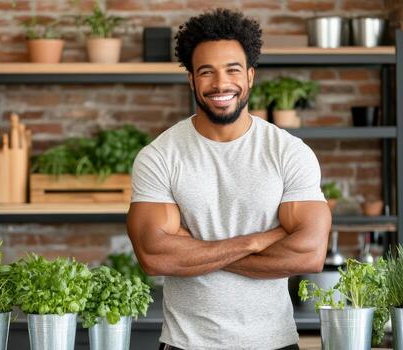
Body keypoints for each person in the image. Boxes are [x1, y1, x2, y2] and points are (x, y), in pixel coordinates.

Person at [126, 8, 332, 350]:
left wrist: (195, 250)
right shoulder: (160, 156)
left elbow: (309, 254)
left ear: (250, 76)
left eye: (232, 70)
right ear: (191, 79)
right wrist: (255, 241)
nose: (221, 84)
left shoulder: (288, 152)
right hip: (185, 344)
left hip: (274, 343)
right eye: (207, 72)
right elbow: (155, 257)